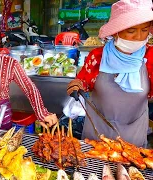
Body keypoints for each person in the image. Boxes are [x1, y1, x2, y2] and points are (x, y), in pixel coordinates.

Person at [67, 0, 153, 147]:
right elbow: (83, 81)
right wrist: (75, 85)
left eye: (144, 30)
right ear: (116, 31)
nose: (139, 36)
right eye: (131, 31)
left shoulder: (150, 57)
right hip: (97, 133)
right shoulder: (97, 57)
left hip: (134, 136)